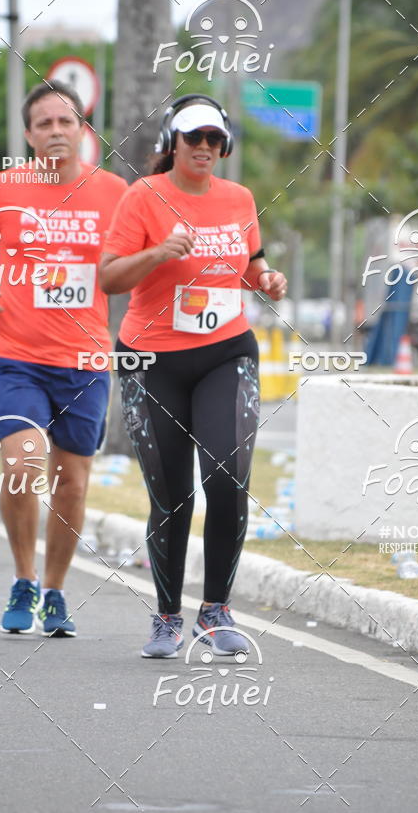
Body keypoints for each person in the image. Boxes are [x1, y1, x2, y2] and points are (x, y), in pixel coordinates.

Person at [100, 94, 287, 658]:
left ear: (224, 145)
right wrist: (158, 253)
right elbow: (109, 278)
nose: (204, 148)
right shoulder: (144, 197)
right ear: (171, 143)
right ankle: (166, 617)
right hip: (150, 360)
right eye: (193, 138)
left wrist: (268, 279)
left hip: (225, 352)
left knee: (228, 478)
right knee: (172, 495)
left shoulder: (240, 198)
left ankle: (216, 611)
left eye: (213, 139)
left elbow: (251, 266)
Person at [0, 80, 128, 636]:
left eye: (65, 122)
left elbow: (136, 258)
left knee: (72, 482)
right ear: (29, 135)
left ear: (83, 130)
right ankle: (23, 579)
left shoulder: (116, 193)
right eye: (44, 124)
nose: (56, 131)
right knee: (23, 464)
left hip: (85, 359)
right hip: (17, 355)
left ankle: (54, 590)